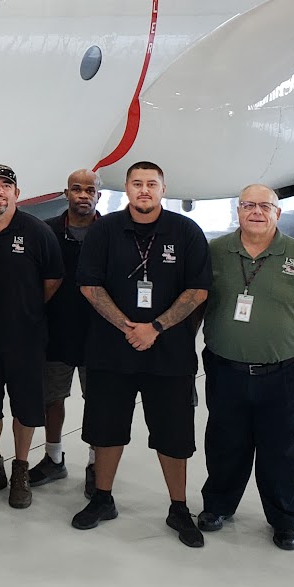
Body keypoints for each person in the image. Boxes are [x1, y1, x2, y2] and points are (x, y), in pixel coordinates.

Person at [72, 161, 212, 548]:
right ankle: (102, 498)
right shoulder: (105, 230)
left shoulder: (186, 232)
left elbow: (199, 290)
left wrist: (156, 328)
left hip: (169, 355)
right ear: (128, 189)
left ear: (163, 190)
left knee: (174, 434)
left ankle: (179, 507)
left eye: (152, 184)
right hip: (110, 352)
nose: (144, 190)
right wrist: (127, 327)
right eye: (137, 183)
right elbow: (89, 285)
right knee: (105, 428)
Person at [197, 185, 294, 551]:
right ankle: (217, 506)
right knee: (225, 443)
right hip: (225, 370)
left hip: (287, 375)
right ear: (238, 211)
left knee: (285, 450)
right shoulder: (214, 253)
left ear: (278, 213)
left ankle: (284, 519)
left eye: (265, 206)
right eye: (249, 205)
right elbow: (194, 306)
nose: (257, 212)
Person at [0, 165, 63, 510]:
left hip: (26, 337)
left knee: (27, 406)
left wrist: (26, 308)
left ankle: (21, 466)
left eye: (6, 186)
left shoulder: (37, 231)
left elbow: (53, 280)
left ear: (17, 194)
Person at [36, 170, 100, 491]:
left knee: (98, 401)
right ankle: (53, 457)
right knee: (52, 398)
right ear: (66, 193)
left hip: (98, 335)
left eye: (90, 190)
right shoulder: (47, 232)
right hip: (56, 332)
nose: (83, 195)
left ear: (98, 196)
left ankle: (95, 463)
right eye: (77, 189)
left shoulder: (110, 233)